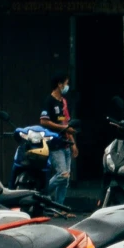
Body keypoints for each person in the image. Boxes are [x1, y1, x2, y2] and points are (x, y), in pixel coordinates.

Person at [41, 72, 76, 206]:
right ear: (59, 85)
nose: (67, 87)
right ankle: (41, 194)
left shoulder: (63, 103)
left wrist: (72, 142)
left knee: (65, 180)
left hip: (66, 144)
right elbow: (44, 121)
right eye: (66, 84)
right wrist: (63, 129)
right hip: (55, 144)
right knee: (62, 174)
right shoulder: (49, 101)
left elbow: (65, 122)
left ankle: (59, 206)